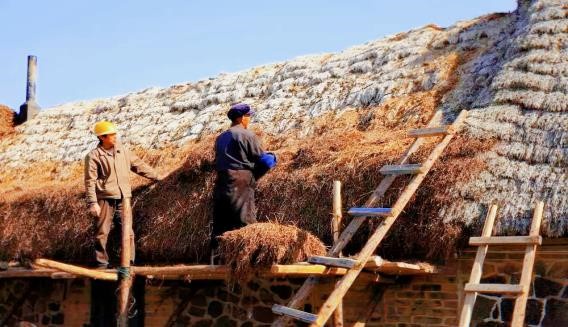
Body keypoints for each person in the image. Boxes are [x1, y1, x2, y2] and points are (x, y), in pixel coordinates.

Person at [84, 121, 163, 268]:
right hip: (105, 198)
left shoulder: (123, 151)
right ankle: (101, 263)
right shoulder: (94, 156)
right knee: (102, 232)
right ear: (102, 137)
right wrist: (92, 203)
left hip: (124, 198)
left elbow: (140, 166)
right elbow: (90, 181)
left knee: (128, 231)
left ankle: (129, 262)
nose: (115, 136)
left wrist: (159, 177)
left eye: (115, 133)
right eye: (112, 134)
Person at [211, 103, 276, 255]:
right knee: (245, 222)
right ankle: (247, 260)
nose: (249, 119)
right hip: (240, 182)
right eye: (248, 116)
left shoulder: (220, 138)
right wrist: (273, 157)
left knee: (221, 224)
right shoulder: (247, 135)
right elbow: (263, 160)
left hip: (221, 183)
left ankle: (218, 259)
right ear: (241, 118)